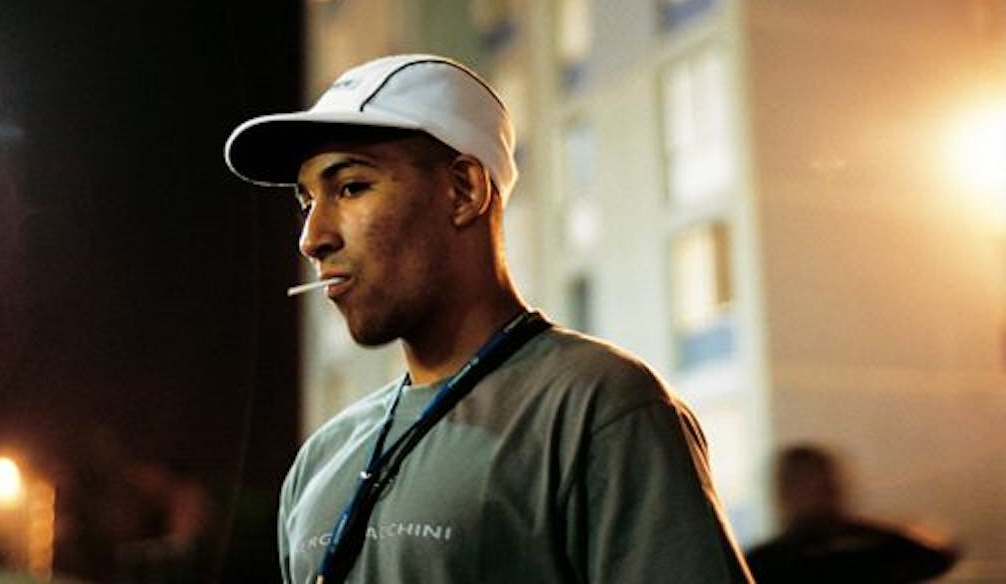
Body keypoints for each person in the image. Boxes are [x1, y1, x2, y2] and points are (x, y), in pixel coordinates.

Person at [224, 53, 753, 583]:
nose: (312, 237)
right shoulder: (321, 460)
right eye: (306, 201)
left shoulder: (597, 406)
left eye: (351, 187)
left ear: (464, 191)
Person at [744, 443, 960, 583]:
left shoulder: (872, 550)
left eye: (821, 485)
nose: (817, 493)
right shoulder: (763, 563)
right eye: (805, 484)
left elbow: (937, 557)